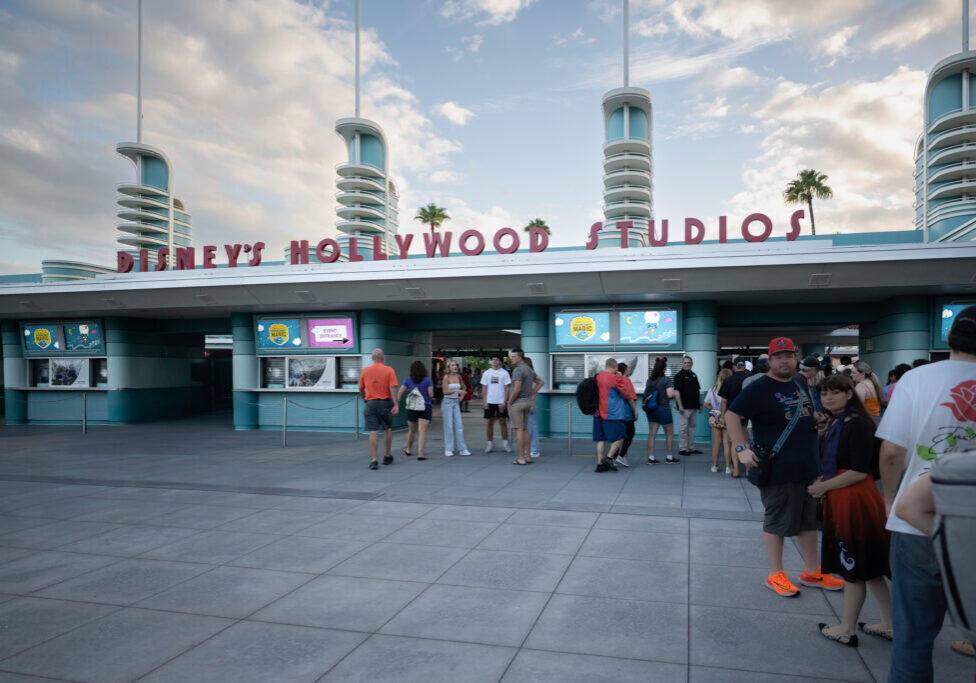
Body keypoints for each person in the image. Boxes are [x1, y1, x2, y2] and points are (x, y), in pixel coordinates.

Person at [878, 305, 976, 683]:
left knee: (913, 638)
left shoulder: (917, 379)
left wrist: (890, 500)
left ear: (949, 337)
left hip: (917, 520)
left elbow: (891, 451)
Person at [727, 337, 845, 597]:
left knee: (808, 521)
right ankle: (776, 573)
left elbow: (801, 414)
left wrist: (816, 419)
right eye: (778, 357)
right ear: (770, 361)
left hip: (808, 465)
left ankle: (812, 571)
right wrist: (741, 448)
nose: (784, 361)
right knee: (777, 520)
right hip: (777, 468)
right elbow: (732, 415)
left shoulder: (799, 383)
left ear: (795, 359)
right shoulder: (760, 387)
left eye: (788, 356)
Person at [807, 374, 893, 647]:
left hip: (853, 500)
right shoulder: (842, 421)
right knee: (871, 568)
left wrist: (824, 486)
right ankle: (889, 624)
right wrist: (826, 481)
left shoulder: (856, 424)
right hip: (848, 495)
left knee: (852, 566)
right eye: (824, 393)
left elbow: (858, 471)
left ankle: (846, 628)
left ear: (848, 394)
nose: (828, 397)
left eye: (835, 392)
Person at [359, 348, 400, 470]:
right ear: (383, 358)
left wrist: (364, 398)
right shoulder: (389, 370)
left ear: (372, 358)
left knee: (373, 431)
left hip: (370, 403)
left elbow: (361, 388)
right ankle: (387, 456)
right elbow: (393, 388)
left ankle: (374, 460)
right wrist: (396, 404)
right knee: (387, 429)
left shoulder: (365, 370)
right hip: (385, 403)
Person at [593, 357, 636, 472]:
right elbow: (625, 393)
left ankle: (600, 464)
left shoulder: (598, 376)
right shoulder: (614, 378)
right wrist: (620, 378)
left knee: (601, 439)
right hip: (612, 413)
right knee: (621, 436)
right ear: (615, 367)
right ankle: (609, 458)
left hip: (598, 413)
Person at [507, 348, 544, 466]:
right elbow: (541, 382)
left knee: (519, 430)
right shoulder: (528, 369)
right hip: (527, 402)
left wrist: (510, 401)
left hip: (517, 403)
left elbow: (517, 389)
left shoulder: (518, 370)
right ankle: (528, 456)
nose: (511, 359)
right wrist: (532, 393)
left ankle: (521, 458)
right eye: (511, 357)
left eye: (513, 357)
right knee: (525, 429)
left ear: (519, 357)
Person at [397, 360, 433, 461]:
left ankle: (408, 449)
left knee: (411, 430)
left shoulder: (408, 379)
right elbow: (430, 394)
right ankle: (420, 453)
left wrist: (396, 404)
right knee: (422, 431)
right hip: (425, 407)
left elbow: (400, 392)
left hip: (412, 408)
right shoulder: (428, 380)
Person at [644, 357, 677, 464]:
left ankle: (651, 458)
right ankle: (669, 457)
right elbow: (670, 394)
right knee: (669, 434)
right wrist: (675, 394)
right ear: (664, 369)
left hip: (651, 410)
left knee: (652, 434)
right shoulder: (666, 379)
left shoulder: (649, 380)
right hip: (664, 409)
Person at [480, 355, 512, 453]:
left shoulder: (504, 373)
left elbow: (507, 388)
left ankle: (505, 444)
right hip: (490, 401)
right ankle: (489, 444)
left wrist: (504, 401)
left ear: (500, 362)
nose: (494, 361)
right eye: (493, 359)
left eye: (496, 359)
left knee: (503, 422)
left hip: (501, 401)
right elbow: (484, 388)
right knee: (490, 422)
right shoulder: (487, 373)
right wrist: (484, 401)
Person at [705, 368, 733, 475]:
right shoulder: (731, 390)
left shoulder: (712, 390)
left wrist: (713, 408)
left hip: (715, 417)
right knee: (727, 443)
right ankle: (728, 467)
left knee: (716, 443)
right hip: (727, 416)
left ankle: (715, 466)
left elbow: (706, 404)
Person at [673, 355, 703, 457]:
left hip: (694, 406)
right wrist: (680, 406)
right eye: (685, 363)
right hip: (684, 407)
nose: (687, 364)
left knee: (692, 428)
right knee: (683, 428)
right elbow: (677, 392)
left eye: (689, 363)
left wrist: (700, 404)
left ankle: (691, 448)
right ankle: (683, 448)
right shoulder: (679, 376)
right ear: (682, 364)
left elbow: (697, 391)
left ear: (692, 364)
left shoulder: (694, 375)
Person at [441, 360, 471, 457]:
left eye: (455, 365)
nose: (455, 367)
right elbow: (445, 391)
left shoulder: (458, 376)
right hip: (447, 402)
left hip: (455, 402)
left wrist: (462, 396)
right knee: (448, 426)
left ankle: (462, 449)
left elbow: (464, 387)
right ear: (448, 367)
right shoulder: (446, 377)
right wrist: (457, 391)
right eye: (452, 365)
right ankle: (448, 449)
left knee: (459, 426)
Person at [613, 361, 639, 467]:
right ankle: (621, 456)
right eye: (628, 368)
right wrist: (635, 410)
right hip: (626, 412)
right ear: (625, 370)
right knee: (630, 433)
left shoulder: (615, 380)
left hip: (617, 412)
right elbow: (630, 398)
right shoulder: (626, 380)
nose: (629, 370)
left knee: (618, 434)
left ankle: (614, 457)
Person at [522, 357, 544, 459]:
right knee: (526, 428)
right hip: (523, 403)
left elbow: (540, 384)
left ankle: (534, 450)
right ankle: (528, 449)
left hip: (529, 404)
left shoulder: (531, 375)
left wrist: (531, 403)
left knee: (531, 429)